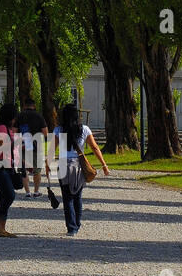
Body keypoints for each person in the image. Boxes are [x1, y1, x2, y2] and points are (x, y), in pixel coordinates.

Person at [47, 103, 111, 236]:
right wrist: (104, 164)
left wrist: (48, 165)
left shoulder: (59, 130)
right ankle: (77, 223)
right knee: (77, 196)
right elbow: (94, 147)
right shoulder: (85, 129)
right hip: (79, 166)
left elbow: (52, 150)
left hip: (64, 165)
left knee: (67, 197)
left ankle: (71, 228)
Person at [0, 102, 20, 237]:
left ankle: (1, 227)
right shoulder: (1, 128)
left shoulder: (10, 129)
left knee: (5, 195)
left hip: (8, 166)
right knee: (9, 194)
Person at [13, 97, 47, 199]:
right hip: (36, 147)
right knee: (37, 171)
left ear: (24, 106)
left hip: (22, 146)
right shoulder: (39, 116)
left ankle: (27, 192)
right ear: (34, 106)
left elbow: (14, 132)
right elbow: (45, 132)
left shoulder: (19, 116)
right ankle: (36, 191)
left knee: (24, 170)